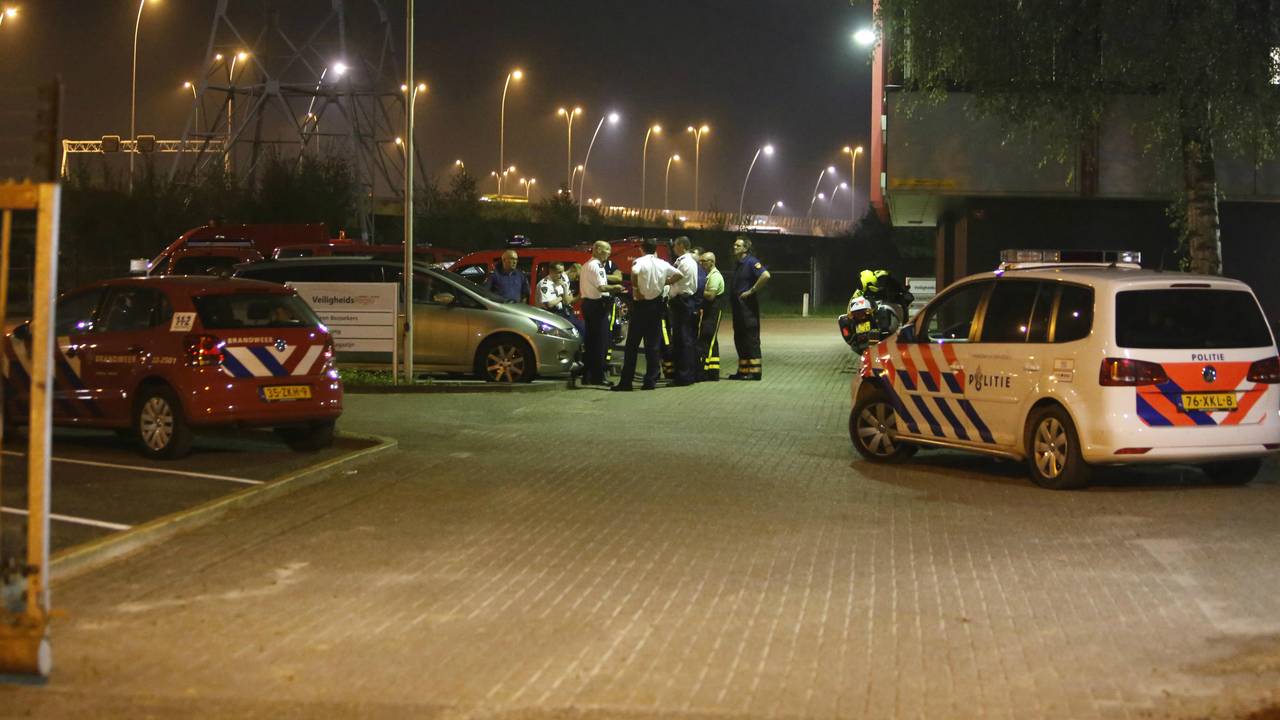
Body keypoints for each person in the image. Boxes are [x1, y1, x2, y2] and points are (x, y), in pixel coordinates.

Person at [612, 237, 682, 391]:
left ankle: (626, 382)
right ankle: (650, 381)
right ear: (655, 250)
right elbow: (679, 275)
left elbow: (634, 273)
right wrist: (665, 282)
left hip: (641, 306)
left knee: (632, 346)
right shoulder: (662, 263)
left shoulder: (639, 261)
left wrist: (636, 289)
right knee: (653, 346)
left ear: (641, 249)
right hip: (656, 306)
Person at [580, 241, 625, 386]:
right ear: (598, 250)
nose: (609, 253)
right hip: (597, 306)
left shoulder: (587, 264)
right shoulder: (597, 265)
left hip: (589, 305)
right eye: (607, 249)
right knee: (600, 343)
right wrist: (616, 287)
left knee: (591, 343)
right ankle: (598, 377)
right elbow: (601, 287)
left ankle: (588, 375)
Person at [729, 236, 771, 380]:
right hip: (738, 309)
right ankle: (743, 370)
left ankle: (755, 372)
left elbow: (765, 275)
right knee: (739, 339)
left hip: (748, 309)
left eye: (738, 245)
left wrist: (751, 291)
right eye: (734, 245)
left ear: (745, 248)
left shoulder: (751, 262)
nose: (734, 247)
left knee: (750, 339)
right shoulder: (738, 264)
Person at [666, 236, 700, 386]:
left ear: (681, 245)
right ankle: (687, 374)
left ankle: (684, 376)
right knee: (685, 340)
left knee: (682, 340)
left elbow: (675, 280)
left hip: (682, 302)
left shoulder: (685, 262)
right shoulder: (687, 261)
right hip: (684, 301)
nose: (673, 248)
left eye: (675, 245)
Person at [696, 251, 725, 381]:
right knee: (710, 340)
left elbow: (711, 296)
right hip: (709, 311)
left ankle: (705, 372)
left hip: (713, 311)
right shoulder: (709, 275)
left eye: (703, 261)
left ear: (711, 262)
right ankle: (712, 372)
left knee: (707, 339)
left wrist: (697, 290)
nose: (701, 263)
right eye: (700, 261)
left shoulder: (715, 276)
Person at [538, 262, 585, 336]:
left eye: (562, 271)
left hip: (564, 312)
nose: (562, 274)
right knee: (579, 329)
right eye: (559, 272)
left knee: (583, 327)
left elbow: (569, 299)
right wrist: (562, 297)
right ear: (551, 271)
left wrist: (565, 292)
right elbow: (549, 304)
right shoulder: (545, 284)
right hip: (551, 314)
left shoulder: (563, 278)